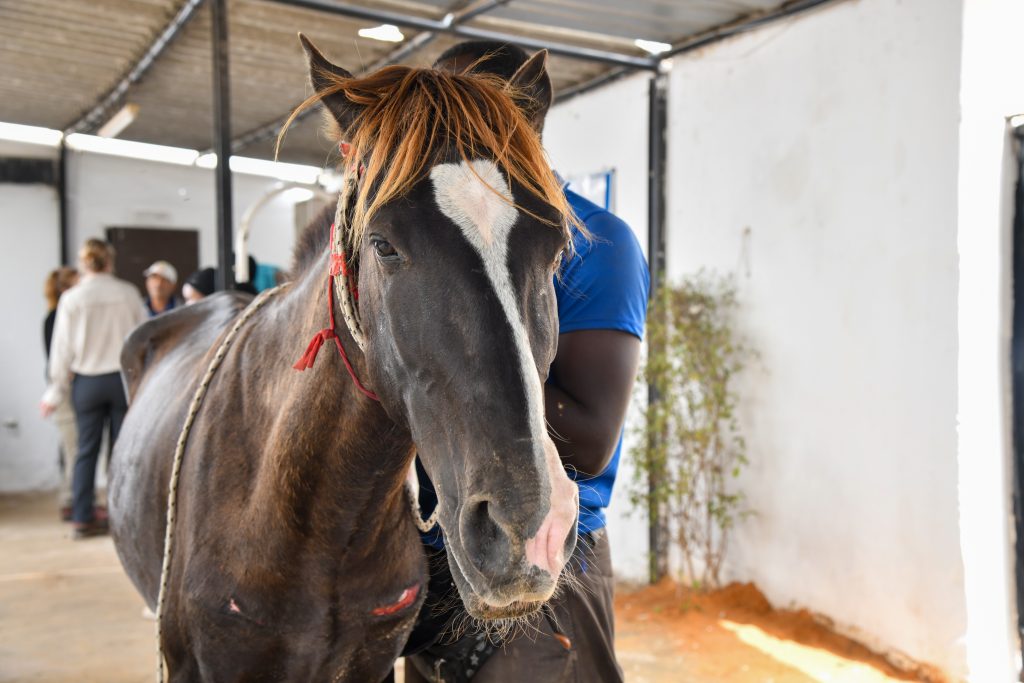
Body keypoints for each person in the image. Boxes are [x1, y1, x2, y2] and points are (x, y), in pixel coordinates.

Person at [404, 42, 650, 683]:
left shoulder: (597, 244)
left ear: (526, 118)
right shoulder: (438, 242)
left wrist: (451, 382)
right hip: (443, 550)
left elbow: (593, 439)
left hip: (545, 561)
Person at [40, 239, 147, 539]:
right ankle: (120, 516)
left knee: (85, 451)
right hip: (121, 381)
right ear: (110, 261)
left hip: (86, 383)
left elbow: (61, 351)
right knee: (121, 452)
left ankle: (82, 516)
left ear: (84, 263)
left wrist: (54, 391)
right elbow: (143, 338)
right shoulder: (127, 293)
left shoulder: (72, 298)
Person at [43, 266, 80, 521]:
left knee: (74, 445)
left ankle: (72, 497)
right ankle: (70, 500)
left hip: (74, 384)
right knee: (72, 445)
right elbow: (58, 360)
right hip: (67, 386)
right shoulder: (55, 317)